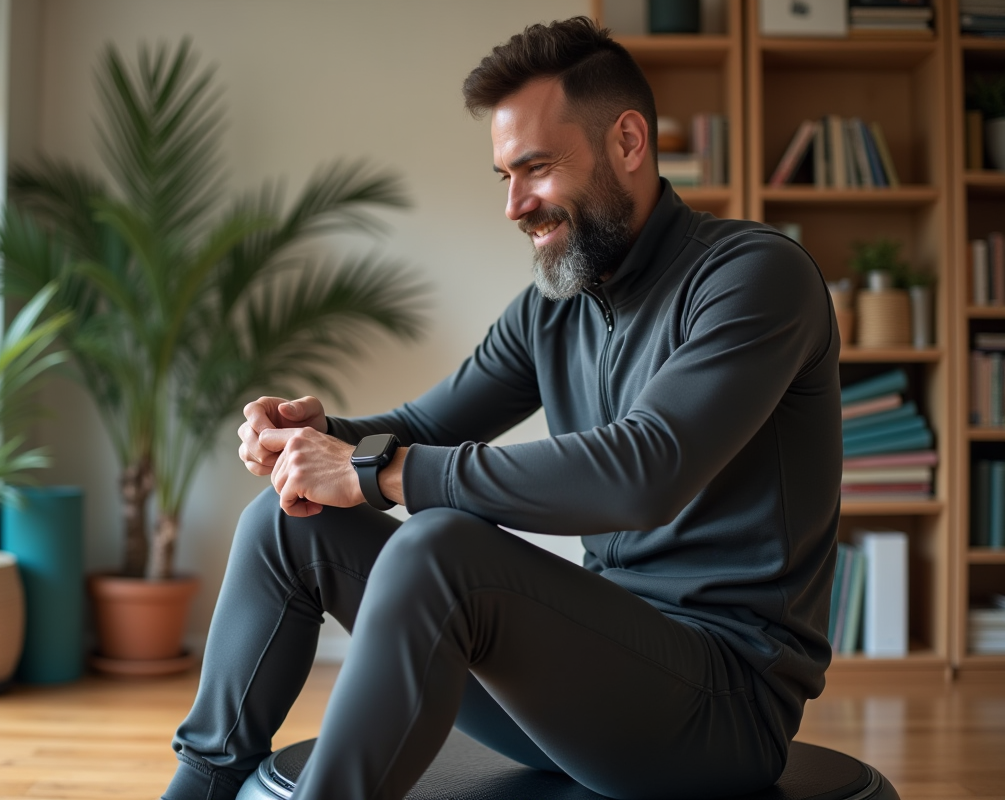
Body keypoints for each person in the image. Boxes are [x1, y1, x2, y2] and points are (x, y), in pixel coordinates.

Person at [162, 16, 840, 800]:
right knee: (287, 521)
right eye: (503, 176)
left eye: (538, 168)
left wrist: (375, 470)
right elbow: (420, 431)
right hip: (583, 687)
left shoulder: (755, 277)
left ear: (628, 142)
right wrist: (314, 438)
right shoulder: (553, 307)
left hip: (723, 707)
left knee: (442, 550)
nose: (515, 205)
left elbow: (645, 472)